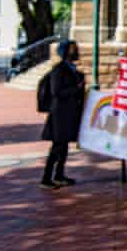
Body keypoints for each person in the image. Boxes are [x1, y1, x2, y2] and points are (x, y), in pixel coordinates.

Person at [40, 40, 85, 190]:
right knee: (57, 147)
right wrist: (76, 88)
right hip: (60, 115)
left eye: (75, 48)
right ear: (65, 52)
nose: (75, 52)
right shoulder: (59, 69)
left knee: (63, 146)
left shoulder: (72, 69)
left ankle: (59, 175)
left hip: (69, 113)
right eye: (72, 49)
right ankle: (46, 178)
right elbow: (56, 92)